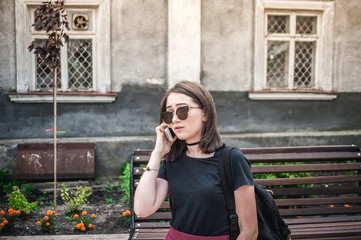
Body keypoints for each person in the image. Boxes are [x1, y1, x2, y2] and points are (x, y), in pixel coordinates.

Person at [134, 81, 258, 240]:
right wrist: (158, 153)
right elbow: (142, 209)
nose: (175, 119)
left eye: (183, 110)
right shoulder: (172, 161)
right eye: (169, 113)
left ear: (205, 114)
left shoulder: (231, 159)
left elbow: (249, 231)